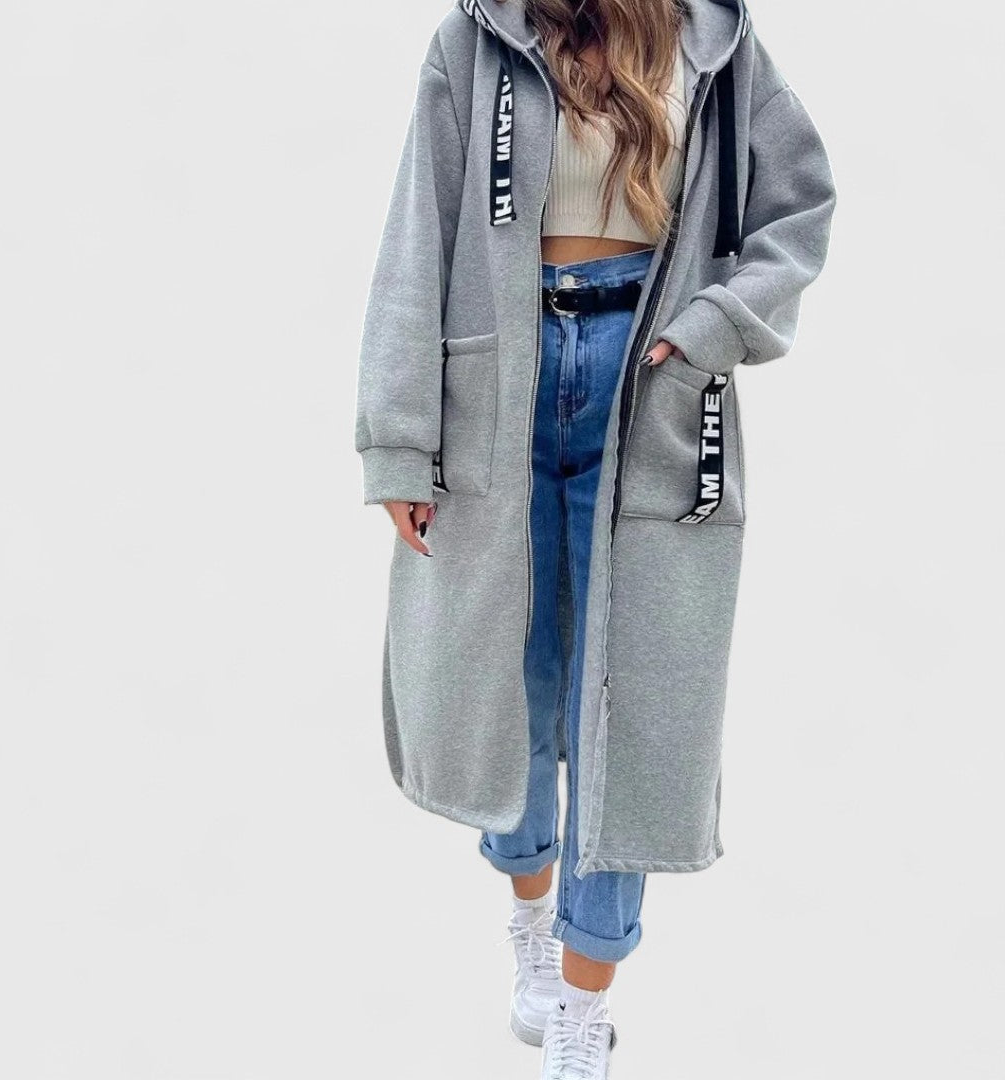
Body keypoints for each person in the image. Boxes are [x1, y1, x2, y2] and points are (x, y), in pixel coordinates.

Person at [354, 1, 836, 1075]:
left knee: (630, 709)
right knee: (509, 687)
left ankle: (584, 1002)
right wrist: (398, 441)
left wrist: (712, 327)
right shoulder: (474, 43)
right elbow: (418, 234)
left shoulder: (713, 42)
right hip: (497, 389)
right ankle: (530, 917)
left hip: (651, 391)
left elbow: (799, 206)